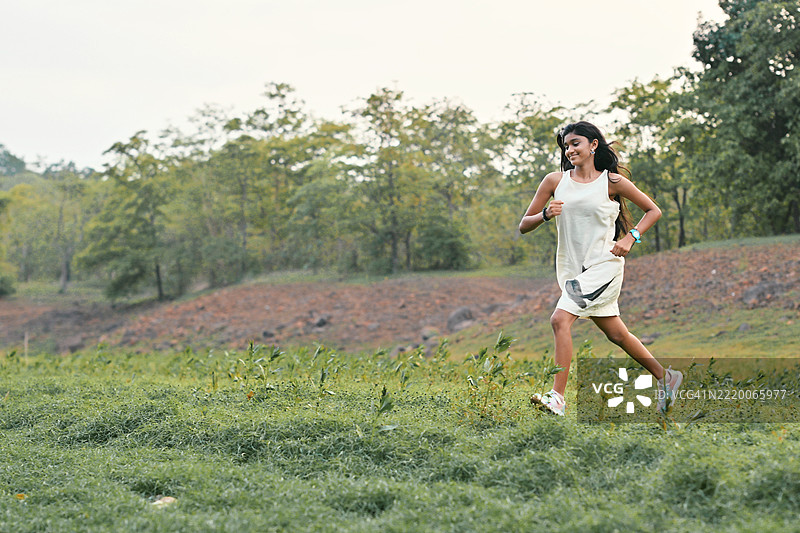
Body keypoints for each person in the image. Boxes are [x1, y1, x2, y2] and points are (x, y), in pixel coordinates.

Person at [518, 121, 681, 416]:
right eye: (565, 146)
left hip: (604, 266)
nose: (569, 150)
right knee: (617, 335)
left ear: (593, 145)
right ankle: (665, 377)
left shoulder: (612, 182)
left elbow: (653, 210)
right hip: (572, 270)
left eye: (575, 143)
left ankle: (557, 397)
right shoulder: (554, 181)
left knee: (559, 320)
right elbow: (523, 225)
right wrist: (545, 214)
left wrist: (631, 237)